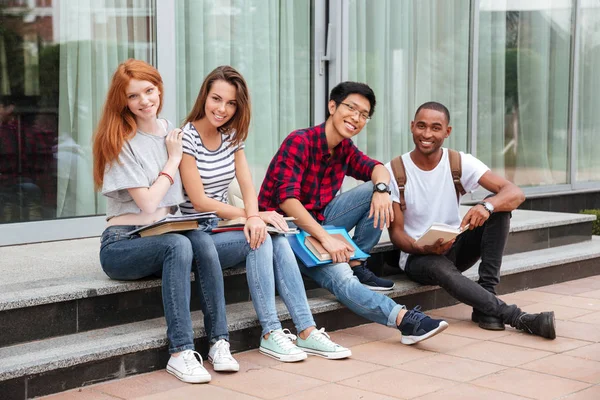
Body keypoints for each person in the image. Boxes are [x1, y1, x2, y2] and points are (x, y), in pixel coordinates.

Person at [179, 65, 351, 363]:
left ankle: (306, 331)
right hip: (194, 234)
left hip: (221, 229)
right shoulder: (186, 137)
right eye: (216, 99)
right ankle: (271, 333)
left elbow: (247, 184)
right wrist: (251, 216)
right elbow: (199, 200)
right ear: (204, 96)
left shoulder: (231, 136)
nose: (222, 109)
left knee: (276, 236)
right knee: (260, 237)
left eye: (231, 103)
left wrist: (255, 213)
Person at [258, 81, 449, 345]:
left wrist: (382, 189)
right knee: (341, 278)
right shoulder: (299, 141)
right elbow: (288, 201)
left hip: (317, 222)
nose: (356, 118)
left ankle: (357, 261)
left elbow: (378, 168)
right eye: (351, 108)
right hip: (284, 231)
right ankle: (404, 320)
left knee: (378, 187)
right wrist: (326, 238)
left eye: (364, 115)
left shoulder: (344, 148)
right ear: (332, 106)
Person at [93, 59, 223, 385]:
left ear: (159, 88)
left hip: (164, 231)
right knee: (178, 245)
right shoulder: (119, 141)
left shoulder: (172, 132)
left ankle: (220, 341)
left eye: (149, 90)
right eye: (134, 96)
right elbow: (149, 201)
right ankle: (180, 352)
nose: (145, 101)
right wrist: (174, 158)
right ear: (122, 101)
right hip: (123, 244)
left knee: (201, 241)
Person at [386, 101, 556, 339]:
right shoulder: (394, 170)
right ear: (412, 127)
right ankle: (518, 318)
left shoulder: (458, 161)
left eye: (435, 128)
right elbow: (397, 233)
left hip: (454, 246)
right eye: (421, 126)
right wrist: (421, 247)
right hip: (418, 257)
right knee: (438, 266)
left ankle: (486, 298)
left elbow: (514, 193)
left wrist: (486, 206)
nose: (427, 134)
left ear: (447, 132)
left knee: (497, 206)